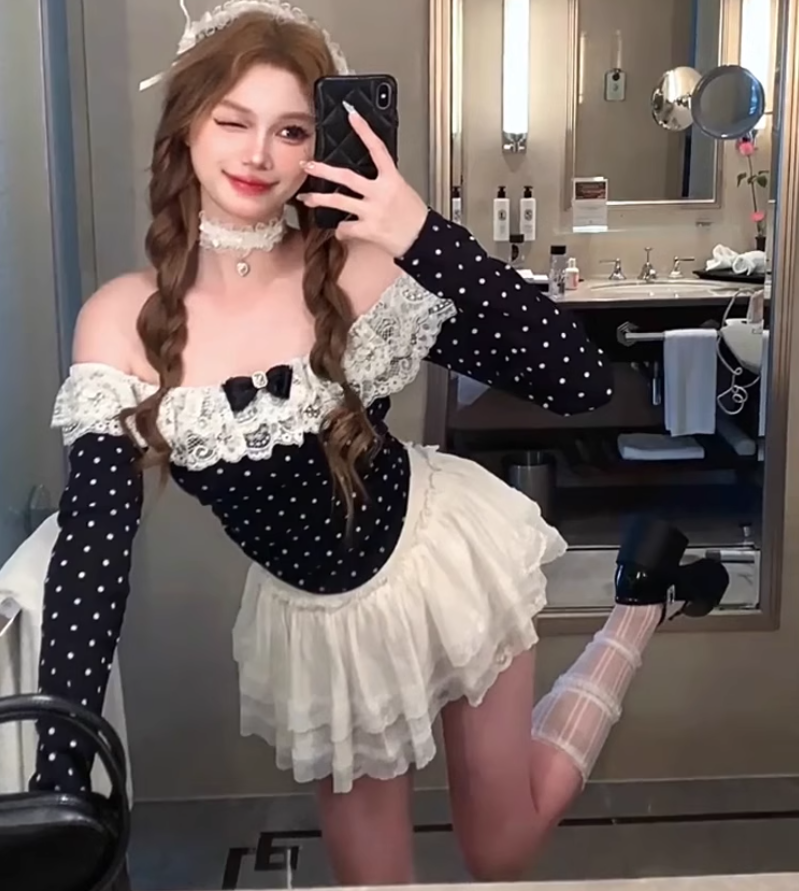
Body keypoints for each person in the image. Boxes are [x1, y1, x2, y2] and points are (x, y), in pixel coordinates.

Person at [31, 1, 709, 884]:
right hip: (323, 628)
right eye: (232, 121)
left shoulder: (364, 266)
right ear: (186, 127)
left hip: (439, 559)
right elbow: (91, 553)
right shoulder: (120, 322)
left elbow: (576, 379)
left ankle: (636, 606)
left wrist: (421, 236)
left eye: (290, 130)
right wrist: (57, 776)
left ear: (319, 145)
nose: (257, 154)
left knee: (498, 848)